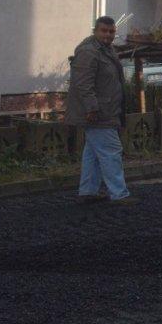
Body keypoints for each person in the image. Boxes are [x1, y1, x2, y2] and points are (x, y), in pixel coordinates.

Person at [67, 16, 131, 201]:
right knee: (111, 150)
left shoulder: (106, 50)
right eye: (104, 31)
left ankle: (88, 192)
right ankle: (119, 194)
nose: (108, 35)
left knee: (93, 154)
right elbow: (83, 84)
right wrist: (92, 108)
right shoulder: (89, 52)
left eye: (111, 31)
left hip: (106, 110)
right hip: (98, 113)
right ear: (95, 31)